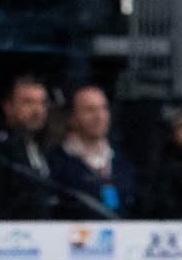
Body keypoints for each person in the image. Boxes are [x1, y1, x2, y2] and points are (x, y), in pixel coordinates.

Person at [0, 74, 58, 220]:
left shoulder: (38, 147)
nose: (37, 110)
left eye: (42, 103)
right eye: (28, 102)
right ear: (8, 107)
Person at [46, 85, 136, 218]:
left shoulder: (121, 159)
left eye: (103, 108)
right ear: (71, 117)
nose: (99, 116)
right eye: (89, 110)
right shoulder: (55, 161)